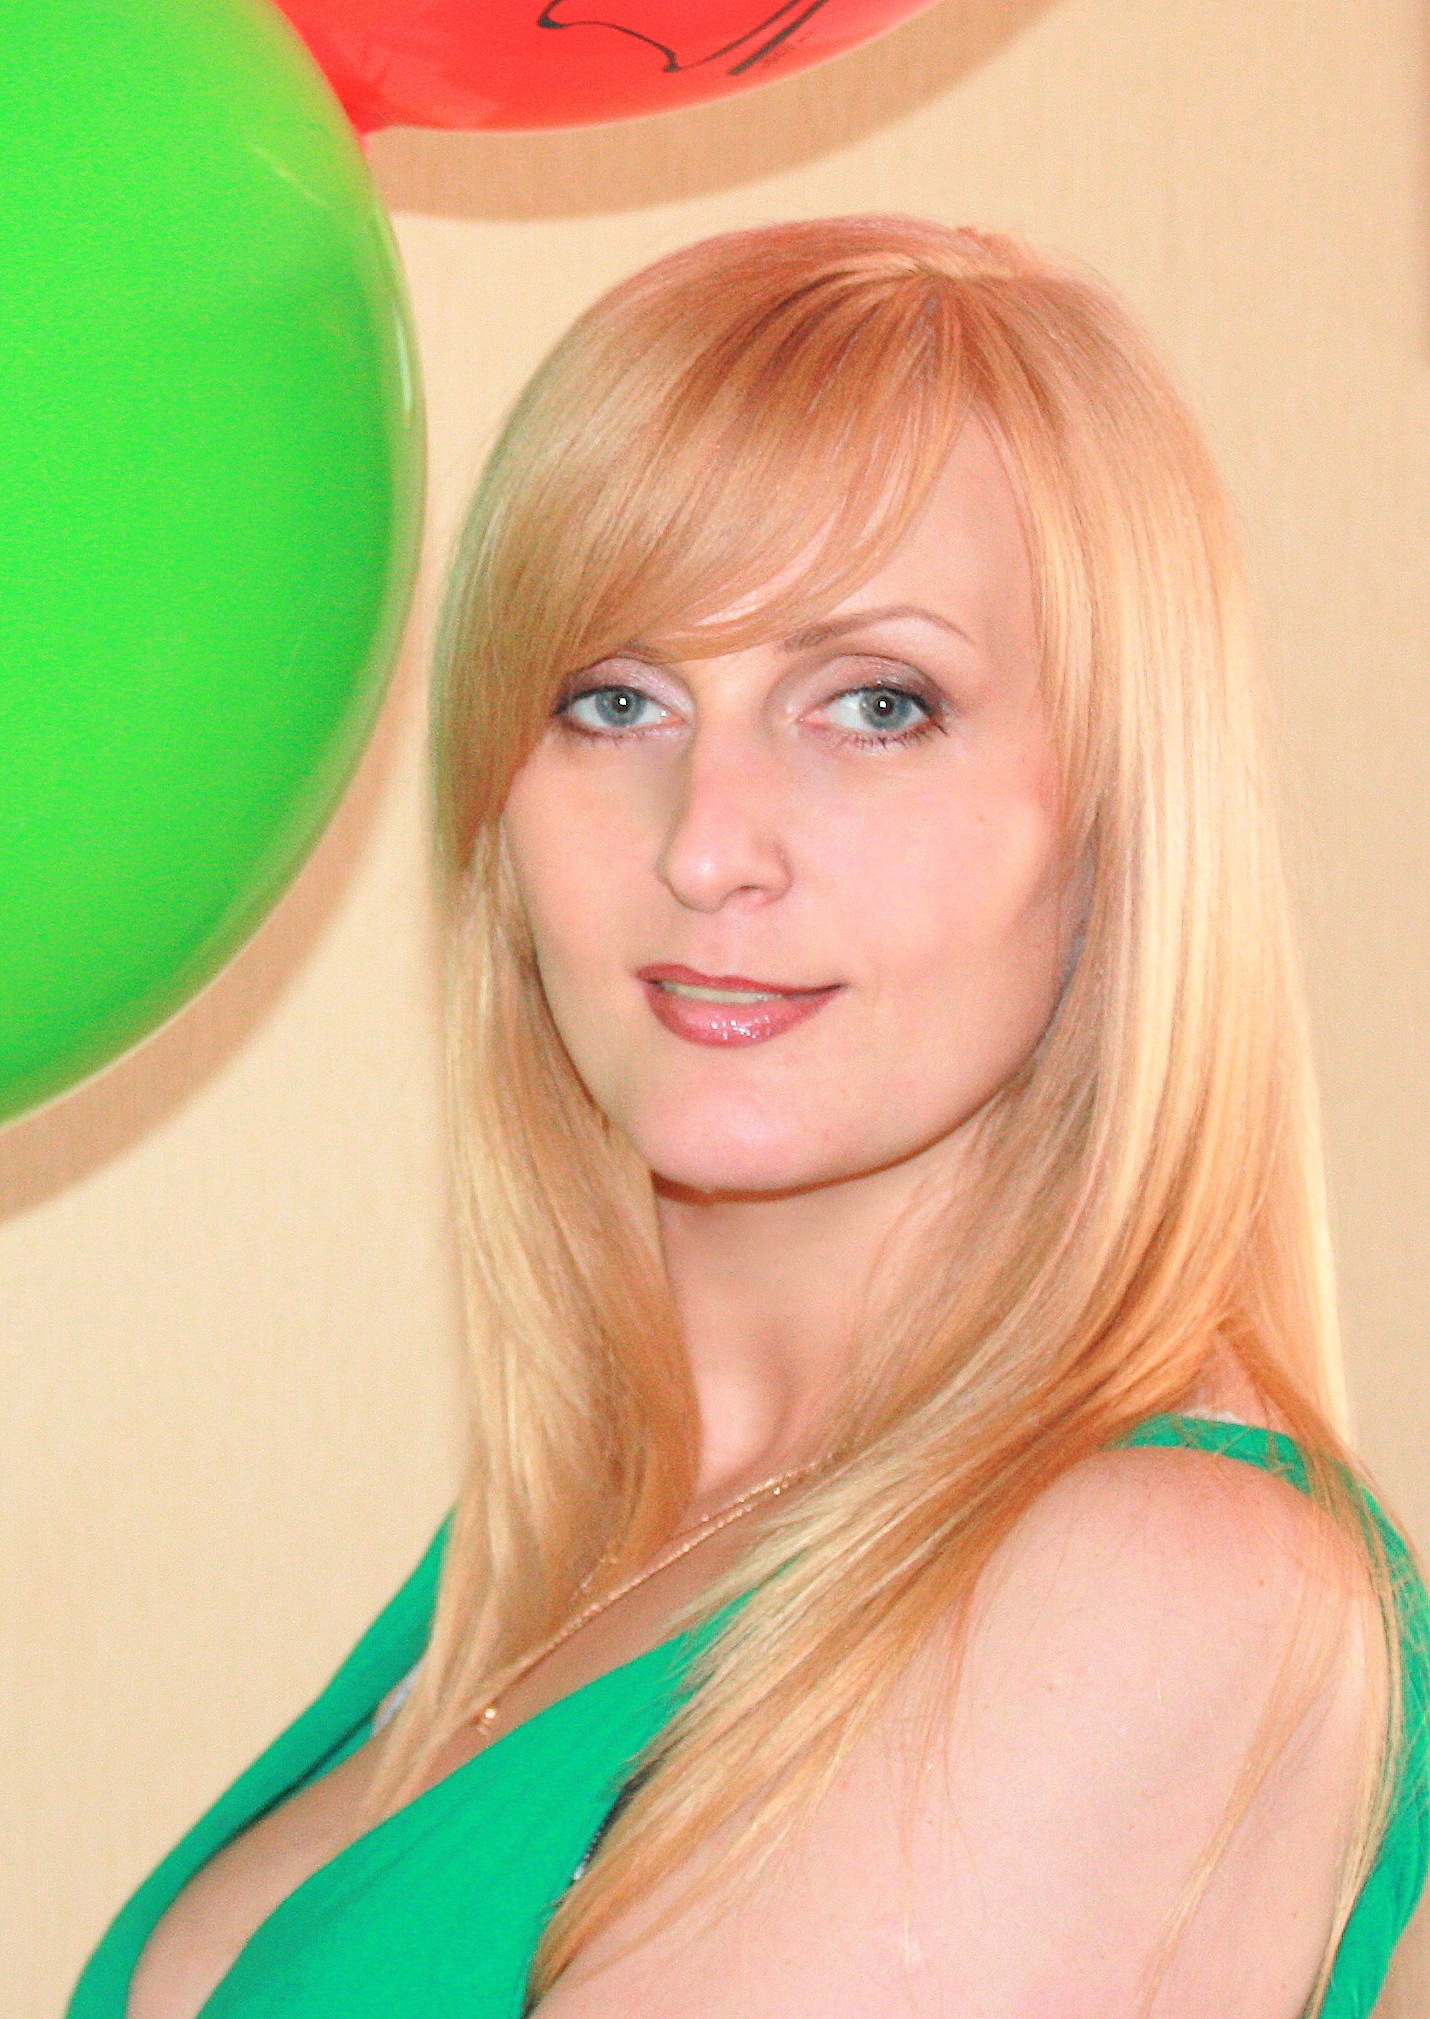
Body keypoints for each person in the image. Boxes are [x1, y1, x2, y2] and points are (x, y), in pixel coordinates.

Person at [74, 216, 1428, 2019]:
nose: (707, 845)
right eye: (613, 700)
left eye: (876, 704)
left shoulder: (1150, 1583)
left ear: (1118, 813)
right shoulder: (568, 1550)